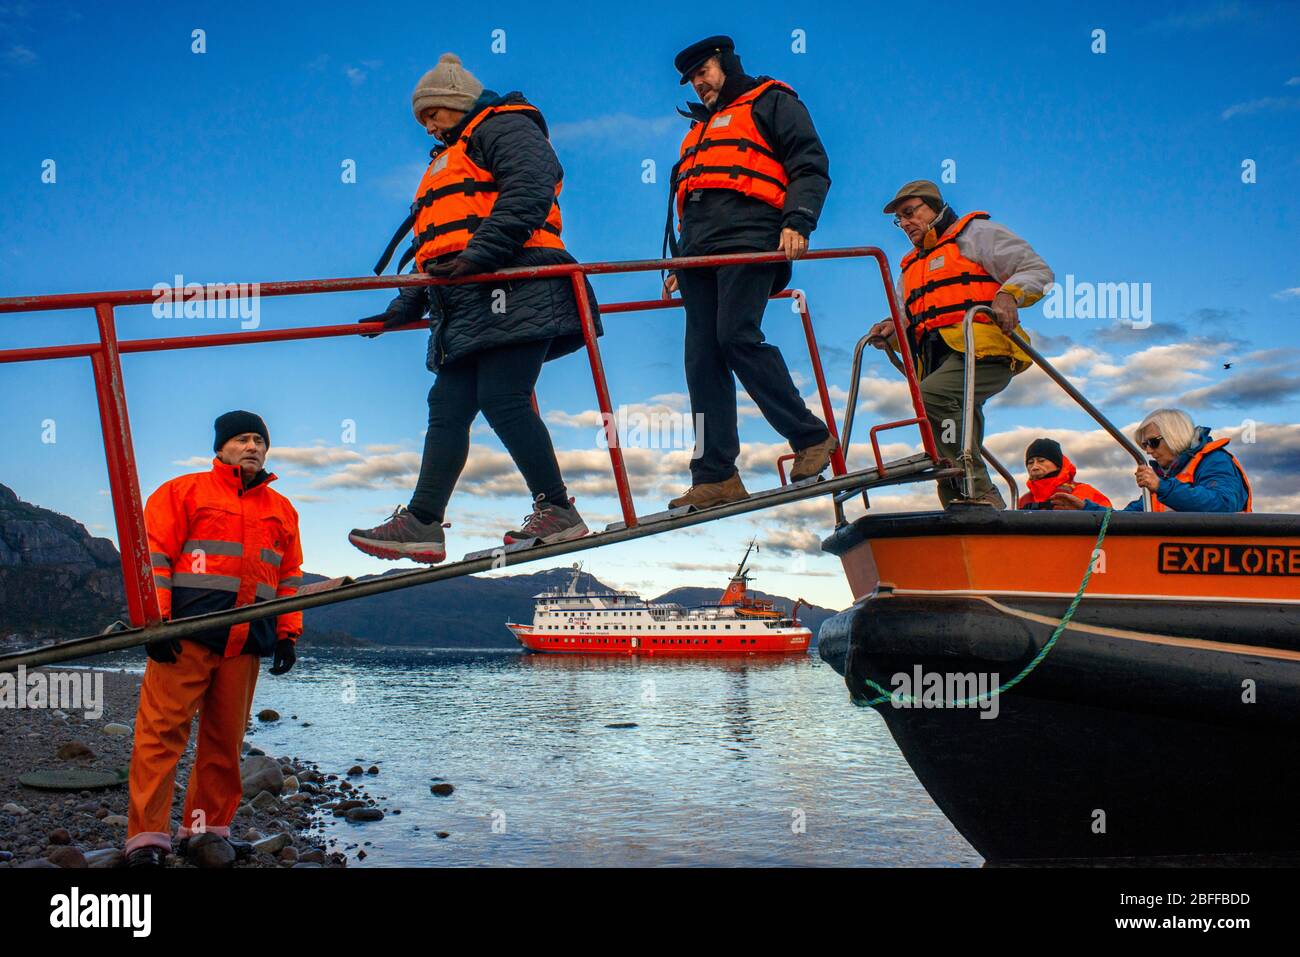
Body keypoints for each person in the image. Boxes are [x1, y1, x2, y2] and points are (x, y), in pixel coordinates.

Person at [352, 53, 600, 561]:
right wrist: (403, 306)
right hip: (465, 299)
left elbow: (533, 186)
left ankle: (558, 512)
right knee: (446, 407)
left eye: (434, 113)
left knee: (504, 396)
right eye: (423, 118)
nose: (429, 126)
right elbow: (437, 246)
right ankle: (423, 521)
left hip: (520, 281)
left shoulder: (504, 126)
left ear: (458, 102)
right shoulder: (446, 159)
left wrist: (481, 255)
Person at [661, 35, 837, 511]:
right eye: (692, 78)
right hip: (699, 255)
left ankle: (811, 437)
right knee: (701, 359)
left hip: (752, 238)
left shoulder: (771, 101)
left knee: (735, 335)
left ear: (726, 63)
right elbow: (693, 201)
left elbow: (810, 163)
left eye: (704, 72)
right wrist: (679, 259)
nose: (698, 83)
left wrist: (797, 220)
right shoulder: (697, 131)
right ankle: (715, 474)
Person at [125, 411, 302, 868]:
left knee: (225, 743)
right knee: (160, 736)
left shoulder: (282, 510)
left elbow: (288, 577)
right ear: (221, 447)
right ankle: (146, 840)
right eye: (242, 439)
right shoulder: (181, 492)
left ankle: (204, 833)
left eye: (260, 440)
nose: (253, 447)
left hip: (246, 645)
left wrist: (287, 635)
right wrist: (155, 623)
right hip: (185, 638)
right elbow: (154, 555)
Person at [868, 181, 1052, 509]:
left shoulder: (977, 234)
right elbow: (905, 320)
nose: (905, 223)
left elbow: (1036, 271)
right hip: (939, 359)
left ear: (935, 207)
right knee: (942, 422)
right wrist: (889, 331)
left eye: (910, 213)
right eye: (900, 219)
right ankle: (961, 505)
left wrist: (1009, 294)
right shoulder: (909, 269)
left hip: (984, 351)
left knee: (933, 397)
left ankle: (980, 490)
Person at [1081, 409, 1252, 512]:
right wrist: (1085, 510)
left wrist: (1161, 487)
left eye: (1153, 443)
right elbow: (1128, 517)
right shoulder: (1165, 479)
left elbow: (1222, 505)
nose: (1148, 451)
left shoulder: (1215, 461)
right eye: (1144, 445)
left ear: (1173, 435)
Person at [1017, 437, 1112, 510]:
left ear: (1058, 465)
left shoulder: (1085, 491)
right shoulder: (1023, 500)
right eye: (1030, 463)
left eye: (1041, 461)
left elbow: (1110, 520)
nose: (1035, 467)